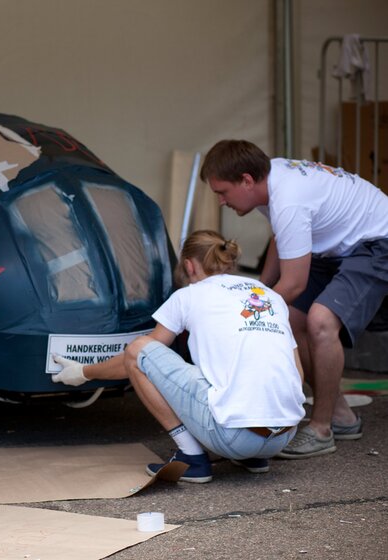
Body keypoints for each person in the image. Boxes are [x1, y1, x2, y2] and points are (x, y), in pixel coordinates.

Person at [50, 230, 306, 482]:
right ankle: (252, 458)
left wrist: (84, 372)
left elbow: (137, 357)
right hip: (282, 437)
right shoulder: (268, 295)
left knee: (139, 349)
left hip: (233, 438)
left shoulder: (188, 295)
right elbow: (298, 372)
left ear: (189, 265)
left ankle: (192, 457)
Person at [200, 140, 388, 459]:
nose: (220, 202)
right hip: (335, 245)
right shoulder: (268, 180)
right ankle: (341, 416)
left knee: (320, 321)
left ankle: (321, 429)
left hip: (376, 240)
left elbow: (295, 283)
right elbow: (282, 238)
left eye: (223, 192)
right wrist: (259, 290)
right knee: (286, 317)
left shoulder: (289, 199)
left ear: (246, 180)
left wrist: (243, 314)